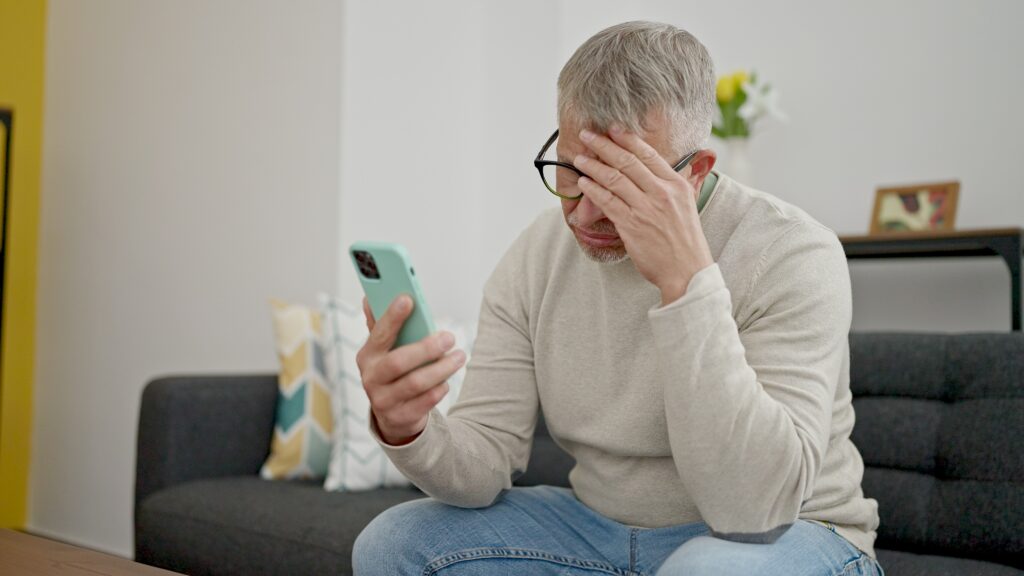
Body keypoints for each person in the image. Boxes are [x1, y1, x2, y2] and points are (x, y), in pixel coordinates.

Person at [351, 20, 882, 576]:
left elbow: (756, 511)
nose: (584, 214)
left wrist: (686, 283)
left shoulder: (792, 251)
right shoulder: (537, 254)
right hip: (596, 533)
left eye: (623, 185)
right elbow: (482, 465)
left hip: (792, 537)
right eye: (574, 174)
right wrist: (407, 426)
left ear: (695, 172)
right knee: (394, 542)